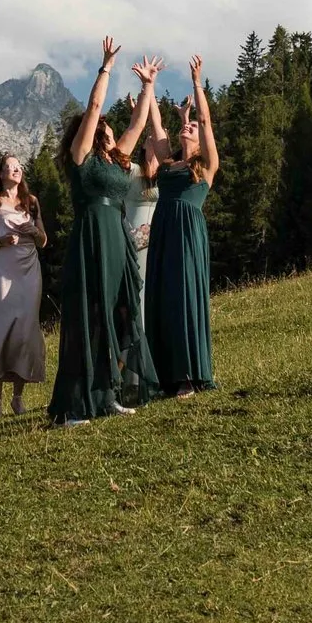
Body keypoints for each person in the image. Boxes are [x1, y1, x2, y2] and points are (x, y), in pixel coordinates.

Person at [46, 39, 159, 425]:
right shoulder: (81, 159)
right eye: (105, 130)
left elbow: (139, 124)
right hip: (91, 238)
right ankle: (74, 406)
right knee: (89, 317)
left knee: (115, 312)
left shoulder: (117, 161)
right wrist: (106, 67)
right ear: (93, 134)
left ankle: (107, 394)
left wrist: (148, 86)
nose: (111, 132)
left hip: (117, 238)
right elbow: (94, 107)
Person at [139, 55, 218, 397]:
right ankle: (166, 376)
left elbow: (206, 119)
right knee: (162, 296)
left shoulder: (206, 167)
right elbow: (157, 129)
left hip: (188, 233)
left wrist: (197, 81)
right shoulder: (168, 161)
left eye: (192, 128)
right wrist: (149, 85)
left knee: (184, 295)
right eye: (186, 126)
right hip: (163, 231)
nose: (187, 127)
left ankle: (188, 375)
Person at [0, 153, 48, 416]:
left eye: (19, 166)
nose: (16, 170)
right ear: (0, 173)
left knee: (26, 330)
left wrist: (34, 232)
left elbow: (43, 241)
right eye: (10, 167)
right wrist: (1, 241)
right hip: (3, 270)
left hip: (30, 269)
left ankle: (18, 398)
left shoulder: (31, 202)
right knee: (2, 329)